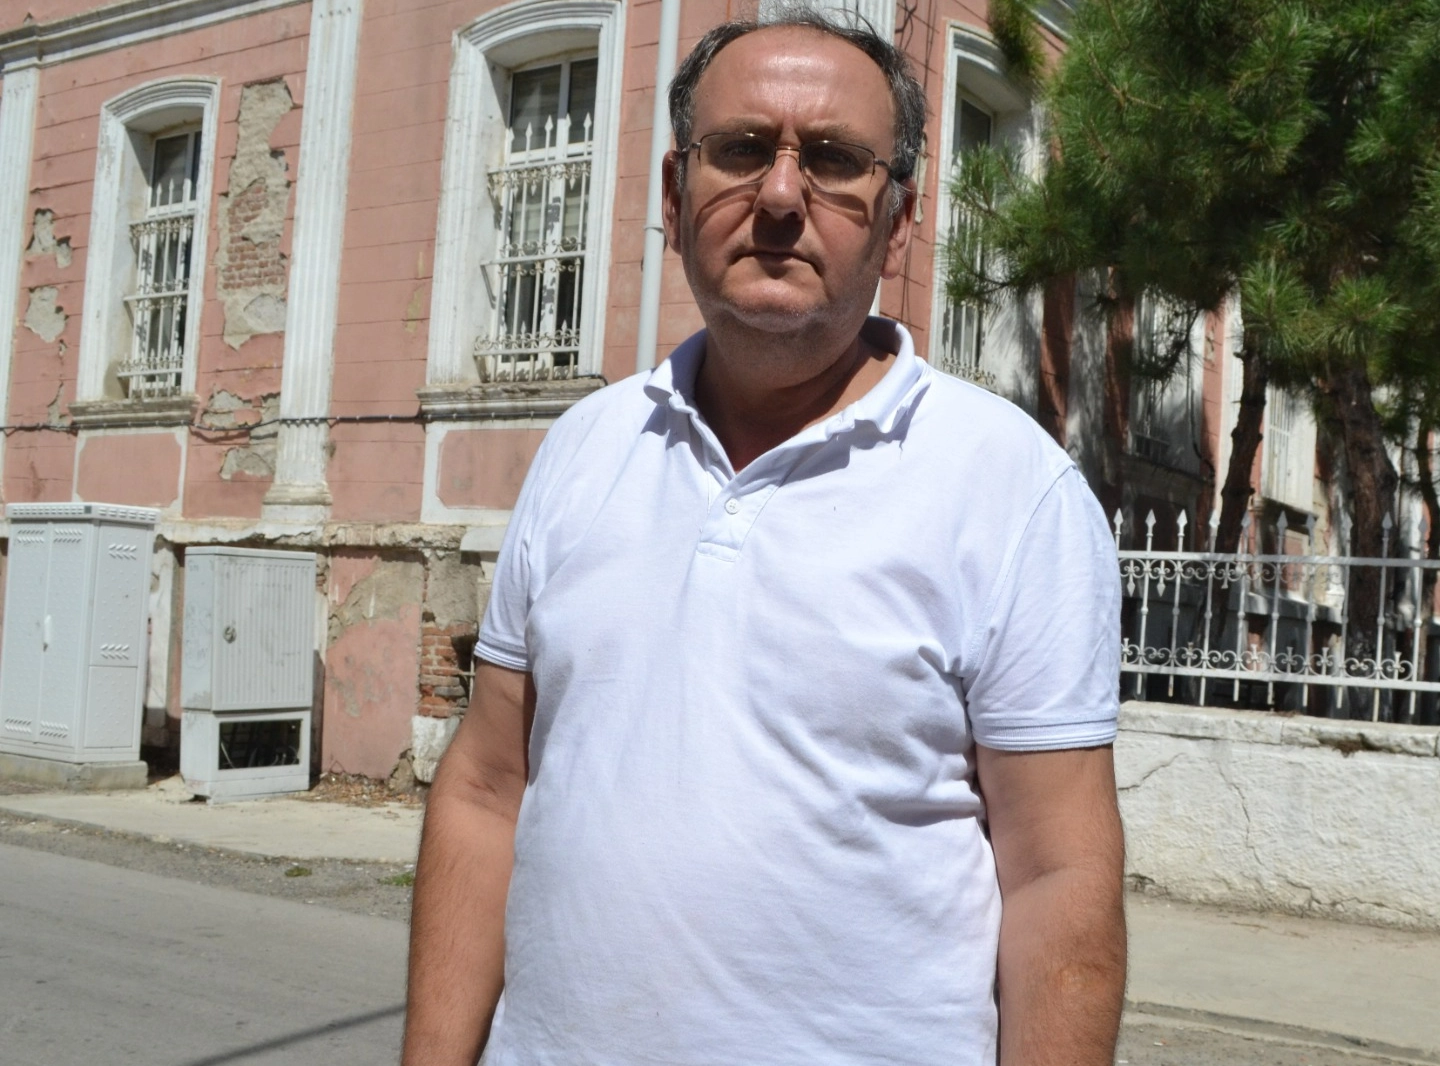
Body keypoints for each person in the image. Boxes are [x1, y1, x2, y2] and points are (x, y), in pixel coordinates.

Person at [402, 13, 1126, 1066]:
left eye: (833, 161)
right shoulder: (585, 448)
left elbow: (1059, 876)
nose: (781, 196)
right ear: (673, 196)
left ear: (899, 221)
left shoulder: (1011, 490)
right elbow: (482, 791)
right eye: (741, 150)